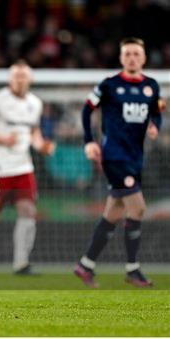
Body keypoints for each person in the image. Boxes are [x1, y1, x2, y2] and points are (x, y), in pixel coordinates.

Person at [74, 37, 162, 288]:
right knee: (138, 208)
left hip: (135, 157)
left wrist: (156, 125)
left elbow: (158, 111)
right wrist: (89, 141)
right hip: (113, 155)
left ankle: (85, 264)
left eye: (136, 54)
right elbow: (87, 109)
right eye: (127, 54)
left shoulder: (151, 86)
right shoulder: (109, 85)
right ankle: (133, 268)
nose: (132, 58)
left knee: (112, 213)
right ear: (121, 58)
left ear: (143, 58)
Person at [0, 60, 55, 275]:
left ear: (30, 79)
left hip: (23, 168)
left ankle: (21, 263)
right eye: (16, 76)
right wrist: (3, 139)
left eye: (24, 76)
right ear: (10, 79)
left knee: (28, 212)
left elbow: (33, 132)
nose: (20, 80)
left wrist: (41, 145)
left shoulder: (35, 103)